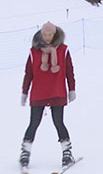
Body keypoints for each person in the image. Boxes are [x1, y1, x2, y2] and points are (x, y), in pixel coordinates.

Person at [19, 22, 77, 170]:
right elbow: (28, 74)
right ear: (41, 34)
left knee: (59, 122)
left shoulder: (63, 50)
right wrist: (24, 92)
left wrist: (72, 89)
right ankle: (25, 154)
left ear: (55, 34)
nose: (47, 37)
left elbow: (69, 71)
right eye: (45, 35)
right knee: (34, 123)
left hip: (57, 92)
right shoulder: (34, 52)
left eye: (50, 35)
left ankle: (67, 153)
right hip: (39, 93)